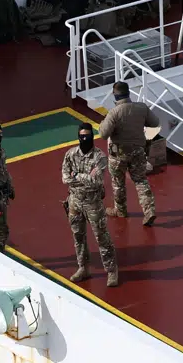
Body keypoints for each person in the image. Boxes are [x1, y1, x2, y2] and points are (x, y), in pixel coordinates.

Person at [62, 123, 119, 287]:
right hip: (75, 201)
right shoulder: (70, 154)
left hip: (93, 203)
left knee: (102, 237)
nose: (84, 139)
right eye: (81, 136)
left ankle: (111, 271)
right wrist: (84, 176)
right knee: (78, 237)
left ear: (92, 137)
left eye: (87, 136)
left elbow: (96, 181)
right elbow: (65, 178)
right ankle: (83, 267)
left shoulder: (100, 157)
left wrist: (76, 175)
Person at [98, 80, 158, 225]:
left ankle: (121, 211)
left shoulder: (114, 113)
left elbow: (103, 134)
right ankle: (149, 211)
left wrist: (103, 123)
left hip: (118, 155)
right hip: (138, 152)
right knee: (141, 180)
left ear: (115, 95)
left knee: (118, 183)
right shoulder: (141, 108)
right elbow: (155, 123)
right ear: (128, 93)